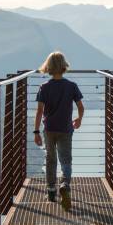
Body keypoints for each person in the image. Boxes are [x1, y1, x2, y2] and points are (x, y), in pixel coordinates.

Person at [34, 51, 84, 211]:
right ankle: (65, 185)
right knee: (66, 160)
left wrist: (36, 131)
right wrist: (79, 119)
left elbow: (39, 111)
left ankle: (50, 191)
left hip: (49, 129)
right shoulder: (71, 86)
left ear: (48, 67)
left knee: (50, 159)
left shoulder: (44, 87)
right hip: (66, 128)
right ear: (64, 67)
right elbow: (81, 107)